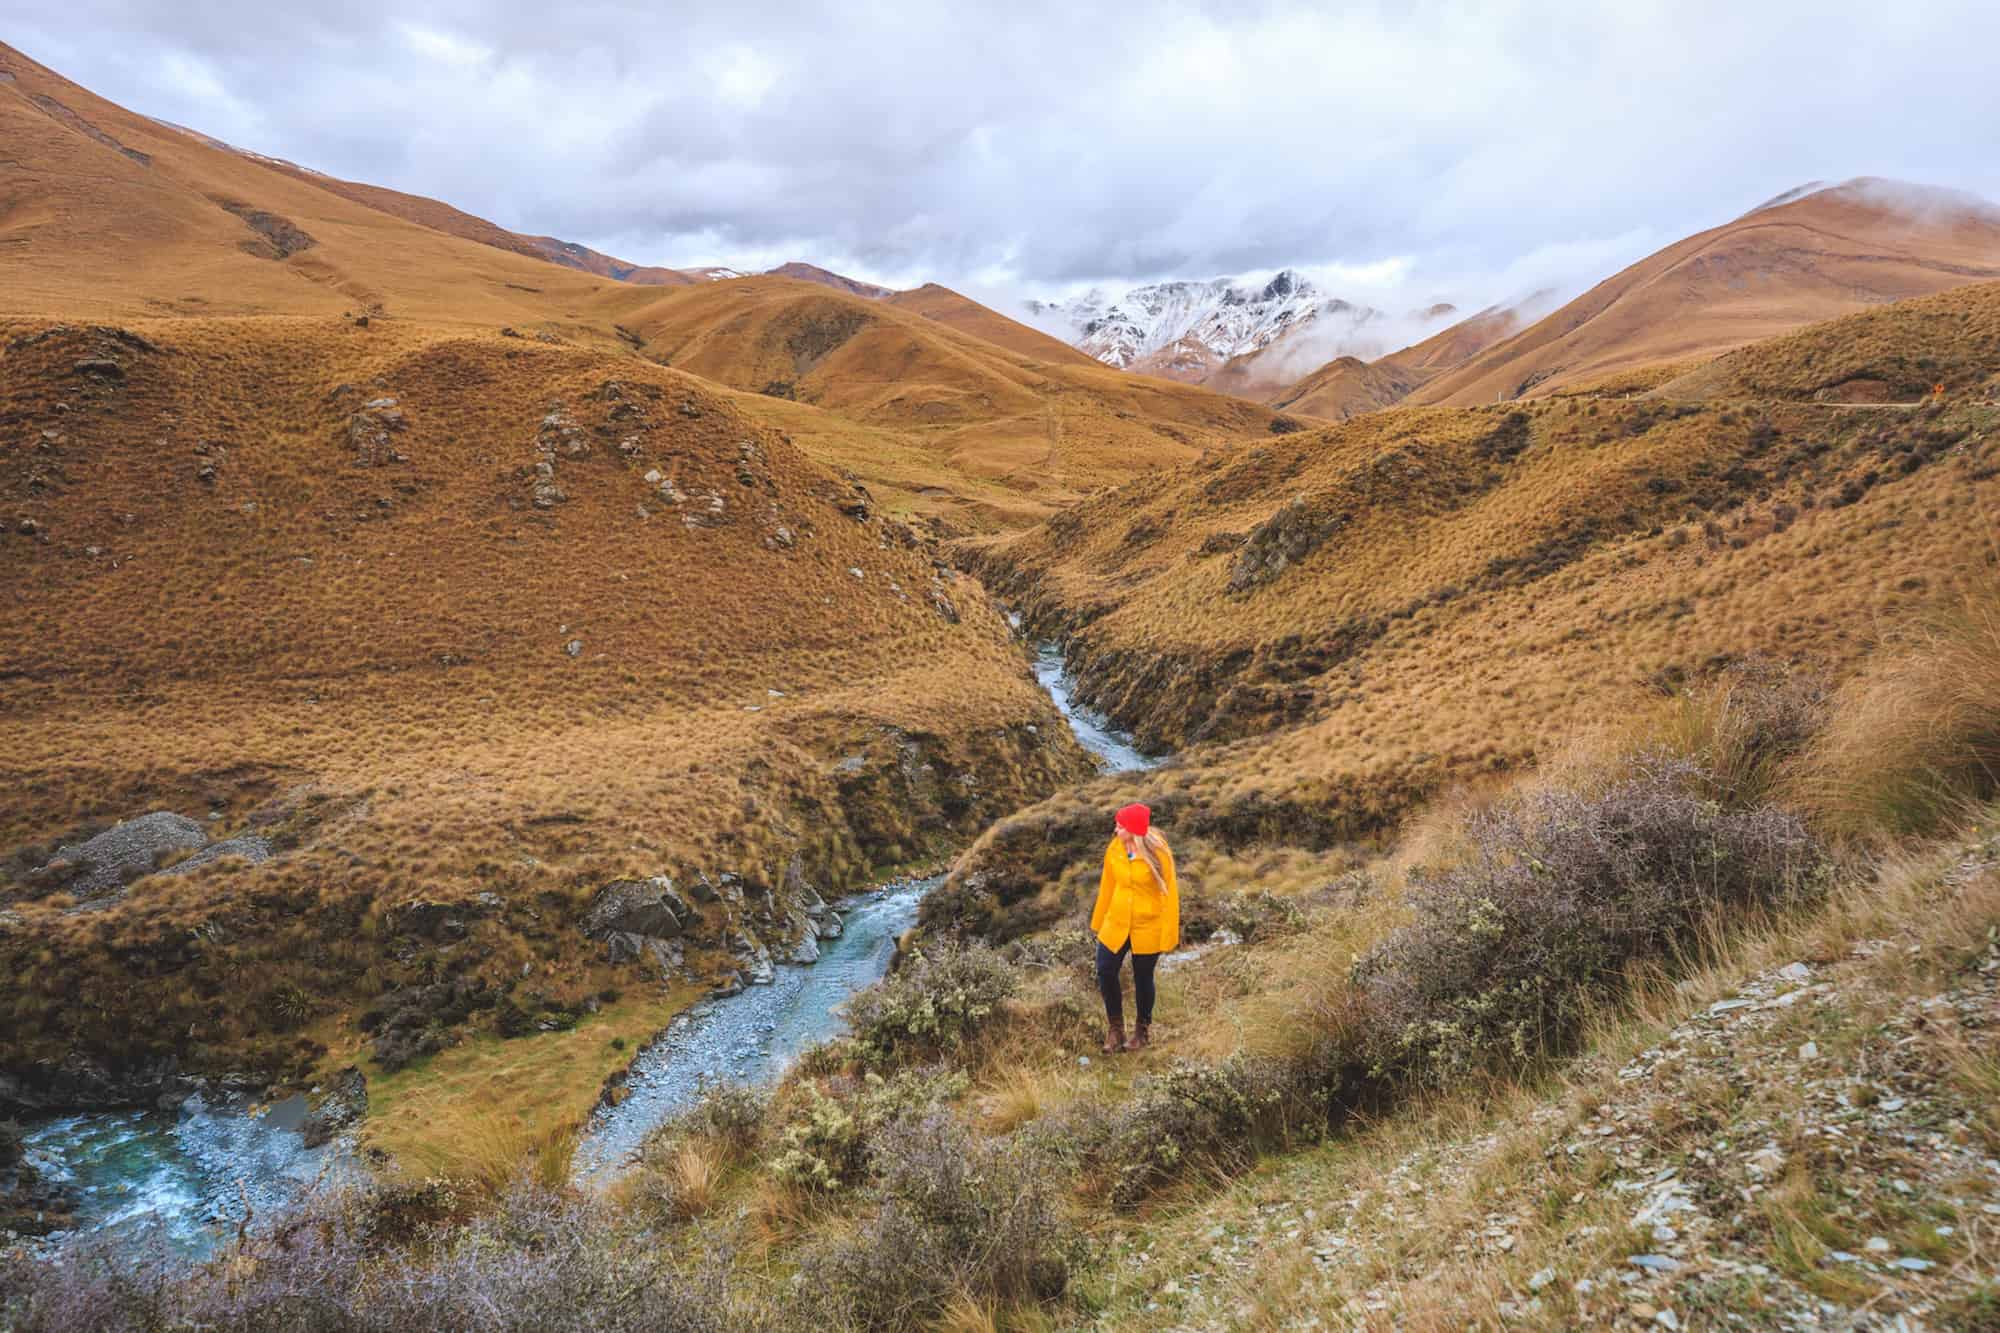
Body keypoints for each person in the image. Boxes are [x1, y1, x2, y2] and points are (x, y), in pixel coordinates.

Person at [1089, 802, 1178, 1054]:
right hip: (1116, 921)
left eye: (1120, 826)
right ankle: (1115, 1029)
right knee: (1105, 970)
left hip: (1147, 924)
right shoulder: (1114, 848)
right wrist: (1098, 921)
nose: (1116, 829)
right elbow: (1107, 885)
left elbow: (1170, 894)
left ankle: (1142, 1031)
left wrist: (1168, 932)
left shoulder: (1159, 852)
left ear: (1134, 830)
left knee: (1143, 978)